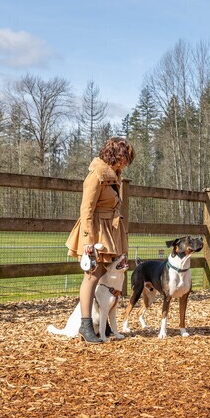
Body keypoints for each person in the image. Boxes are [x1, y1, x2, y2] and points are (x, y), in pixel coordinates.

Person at [65, 137, 135, 343]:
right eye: (123, 158)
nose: (125, 163)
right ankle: (85, 324)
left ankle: (103, 324)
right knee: (92, 275)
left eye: (127, 159)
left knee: (104, 272)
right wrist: (88, 240)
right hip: (96, 230)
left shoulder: (114, 176)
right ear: (113, 155)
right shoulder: (96, 176)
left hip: (110, 229)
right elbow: (86, 209)